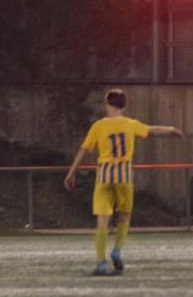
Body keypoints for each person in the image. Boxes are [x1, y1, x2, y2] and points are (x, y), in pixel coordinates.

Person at [64, 89, 183, 275]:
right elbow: (151, 130)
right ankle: (117, 251)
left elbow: (83, 150)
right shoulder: (130, 124)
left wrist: (71, 173)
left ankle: (101, 263)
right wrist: (171, 130)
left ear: (107, 104)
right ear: (124, 106)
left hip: (104, 176)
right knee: (124, 216)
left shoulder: (98, 126)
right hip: (124, 177)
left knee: (102, 221)